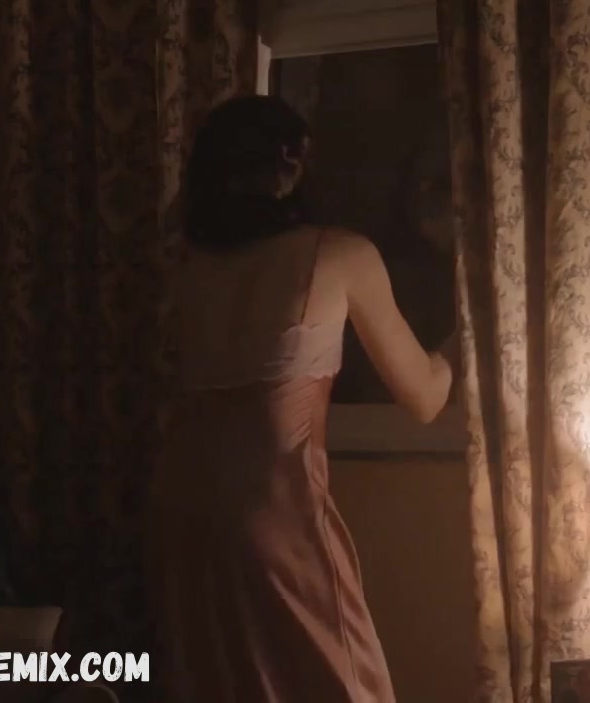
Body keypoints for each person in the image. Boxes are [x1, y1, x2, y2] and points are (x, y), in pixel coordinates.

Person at [146, 94, 453, 703]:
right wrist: (466, 337)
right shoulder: (339, 254)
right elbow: (424, 397)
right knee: (345, 684)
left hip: (180, 508)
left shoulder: (187, 267)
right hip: (274, 513)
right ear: (290, 162)